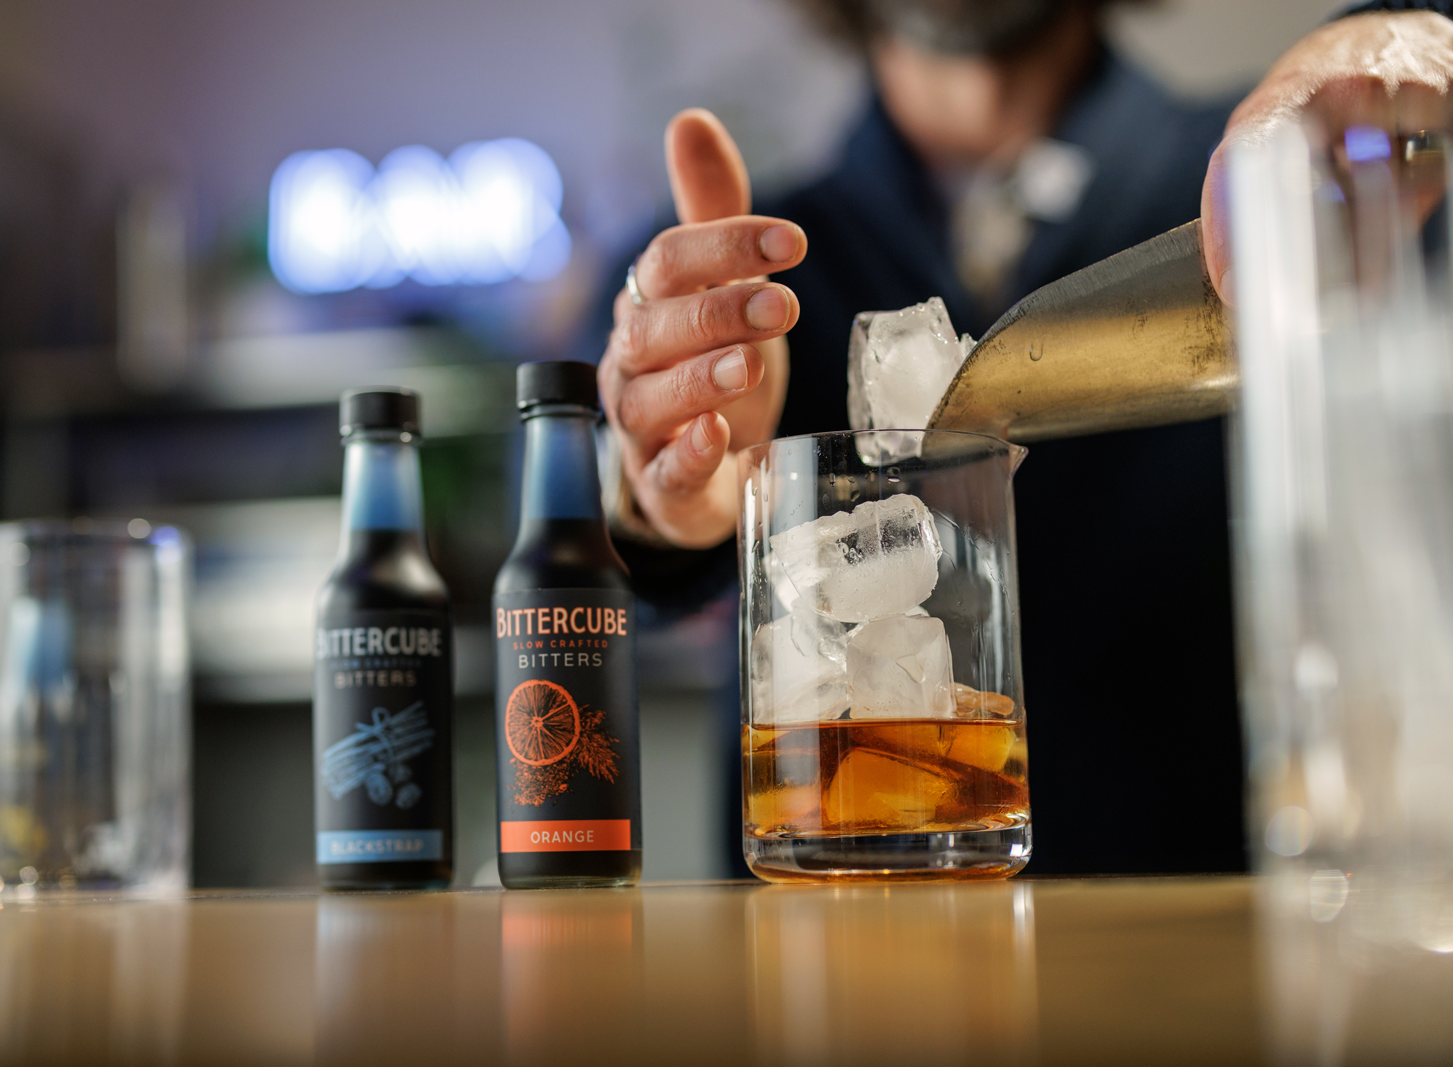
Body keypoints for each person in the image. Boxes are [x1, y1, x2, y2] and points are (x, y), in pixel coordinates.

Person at [584, 0, 1453, 874]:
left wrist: (1427, 33)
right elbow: (575, 520)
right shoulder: (740, 270)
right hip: (827, 967)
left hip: (1223, 961)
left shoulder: (1313, 180)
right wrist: (660, 485)